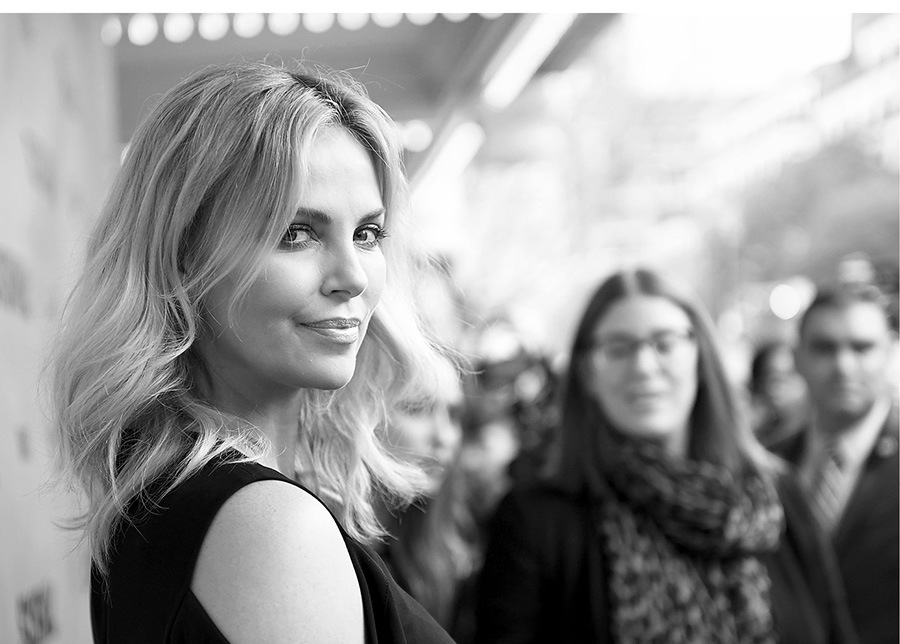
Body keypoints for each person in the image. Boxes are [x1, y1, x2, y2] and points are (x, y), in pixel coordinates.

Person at [49, 61, 456, 643]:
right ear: (182, 256)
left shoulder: (162, 506)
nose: (352, 276)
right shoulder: (270, 529)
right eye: (297, 232)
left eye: (367, 234)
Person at [474, 267, 857, 644]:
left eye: (665, 343)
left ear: (700, 357)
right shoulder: (535, 520)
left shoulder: (778, 495)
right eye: (618, 349)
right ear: (588, 373)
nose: (643, 367)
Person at [768, 282, 898, 644]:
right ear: (797, 357)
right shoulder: (766, 463)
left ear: (889, 352)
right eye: (825, 348)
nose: (844, 365)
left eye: (862, 347)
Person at [376, 354, 480, 641]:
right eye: (417, 408)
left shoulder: (446, 548)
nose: (445, 436)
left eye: (455, 414)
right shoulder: (330, 544)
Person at [748, 339, 809, 447]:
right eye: (768, 377)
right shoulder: (754, 435)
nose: (777, 386)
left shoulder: (812, 437)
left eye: (787, 375)